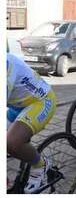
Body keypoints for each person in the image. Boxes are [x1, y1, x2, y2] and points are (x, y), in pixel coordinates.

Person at [7, 54, 58, 193]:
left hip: (41, 101)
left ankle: (41, 164)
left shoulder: (6, 66)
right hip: (17, 105)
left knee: (11, 143)